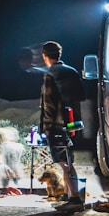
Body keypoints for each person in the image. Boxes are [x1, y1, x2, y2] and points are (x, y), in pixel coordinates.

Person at [38, 40, 85, 206]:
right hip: (75, 123)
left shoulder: (50, 74)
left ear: (45, 56)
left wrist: (46, 127)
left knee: (65, 163)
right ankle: (68, 194)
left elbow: (49, 105)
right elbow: (81, 97)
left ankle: (75, 197)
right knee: (69, 159)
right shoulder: (72, 72)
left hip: (58, 125)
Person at [0, 126, 25, 196]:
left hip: (9, 158)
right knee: (12, 171)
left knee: (7, 173)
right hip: (12, 160)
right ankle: (15, 187)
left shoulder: (5, 145)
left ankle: (8, 188)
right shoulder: (15, 144)